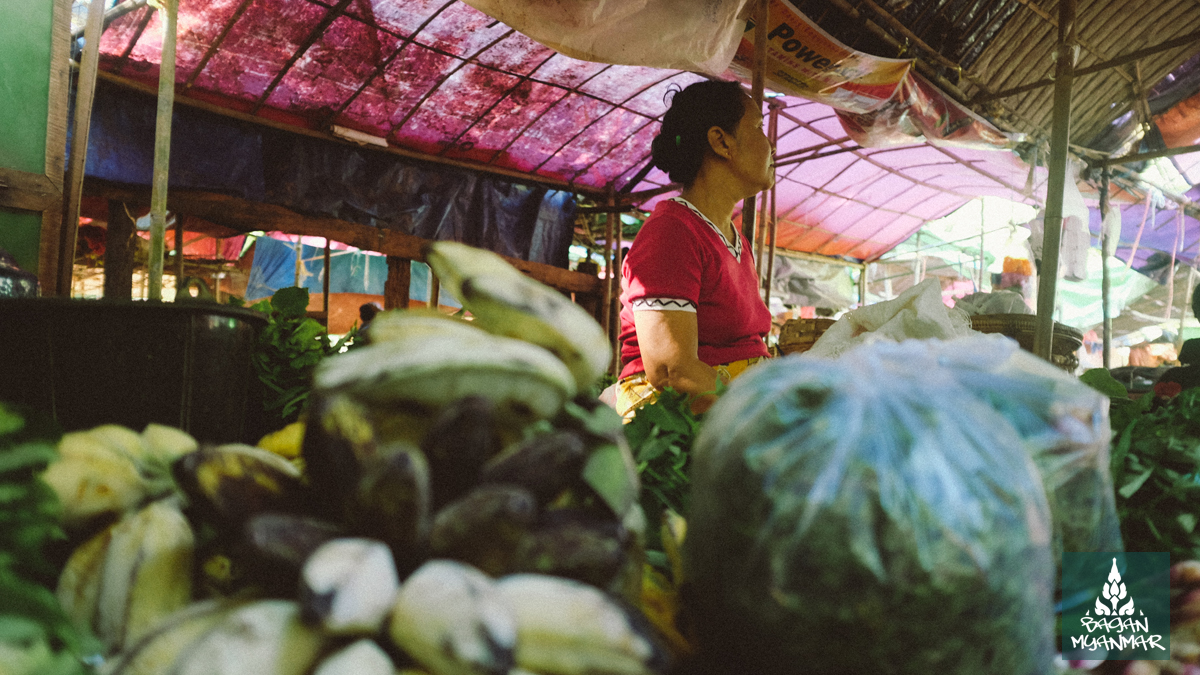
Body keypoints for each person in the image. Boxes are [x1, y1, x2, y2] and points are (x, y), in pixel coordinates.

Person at [615, 79, 774, 419]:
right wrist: (766, 414)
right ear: (721, 141)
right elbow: (673, 371)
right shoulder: (671, 232)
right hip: (681, 425)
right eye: (759, 127)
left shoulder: (733, 239)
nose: (770, 143)